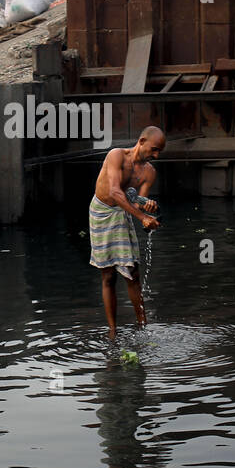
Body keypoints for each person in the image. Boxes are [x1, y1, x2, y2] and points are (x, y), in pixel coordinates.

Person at [89, 126, 164, 338]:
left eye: (159, 152)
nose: (156, 155)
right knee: (108, 275)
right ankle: (112, 331)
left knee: (132, 273)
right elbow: (114, 191)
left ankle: (143, 325)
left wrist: (147, 209)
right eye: (154, 149)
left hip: (123, 212)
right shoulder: (116, 156)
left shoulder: (149, 172)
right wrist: (142, 218)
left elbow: (138, 203)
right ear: (141, 141)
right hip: (101, 212)